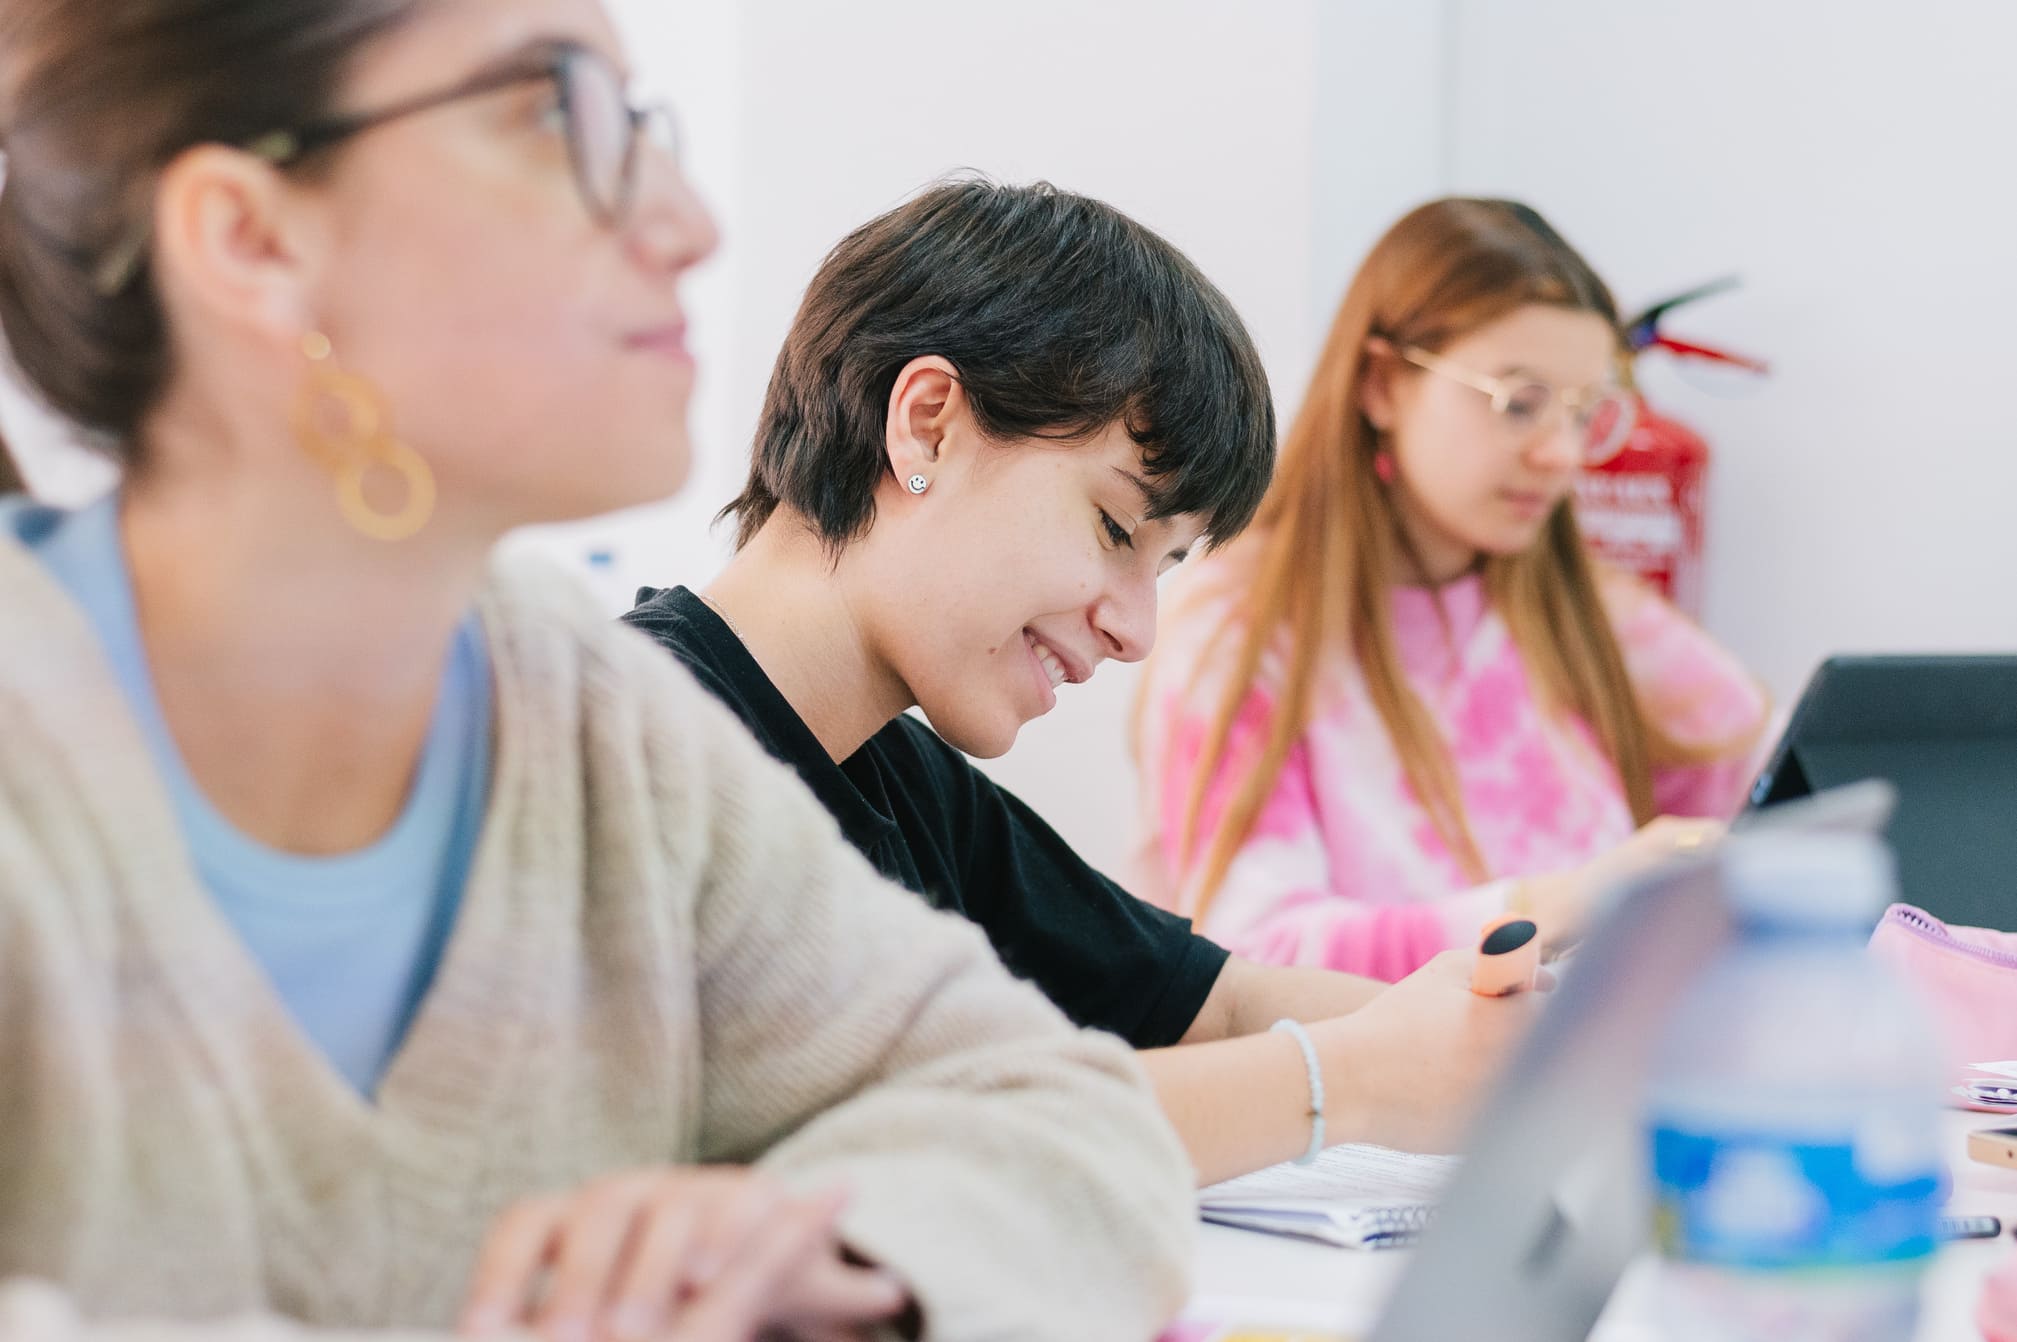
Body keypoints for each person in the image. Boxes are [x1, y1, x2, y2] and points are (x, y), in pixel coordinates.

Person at [0, 4, 1197, 1340]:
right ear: (251, 238)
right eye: (553, 110)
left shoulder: (587, 724)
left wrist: (832, 1245)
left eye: (643, 126)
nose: (689, 220)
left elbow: (1074, 1126)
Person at [623, 180, 1542, 1187]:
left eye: (1164, 567)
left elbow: (1214, 1008)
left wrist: (1515, 1041)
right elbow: (896, 1145)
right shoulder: (634, 749)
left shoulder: (899, 779)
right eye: (1114, 530)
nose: (1135, 630)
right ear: (927, 425)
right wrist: (1342, 1082)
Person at [1136, 197, 1766, 983]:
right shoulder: (1243, 628)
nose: (1561, 454)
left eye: (1584, 414)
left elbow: (1744, 772)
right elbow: (1254, 955)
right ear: (1382, 385)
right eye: (1519, 403)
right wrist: (1558, 902)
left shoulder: (1578, 606)